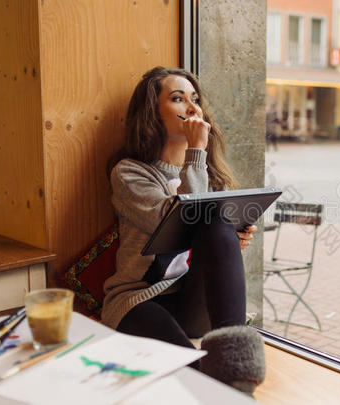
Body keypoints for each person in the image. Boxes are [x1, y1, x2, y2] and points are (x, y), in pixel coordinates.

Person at [102, 67, 258, 364]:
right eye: (177, 98)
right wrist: (196, 149)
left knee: (216, 220)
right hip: (140, 299)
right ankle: (232, 380)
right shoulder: (130, 173)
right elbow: (181, 219)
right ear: (151, 114)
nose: (192, 107)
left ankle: (237, 355)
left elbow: (208, 244)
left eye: (195, 98)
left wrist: (227, 241)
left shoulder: (210, 176)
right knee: (193, 368)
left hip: (191, 298)